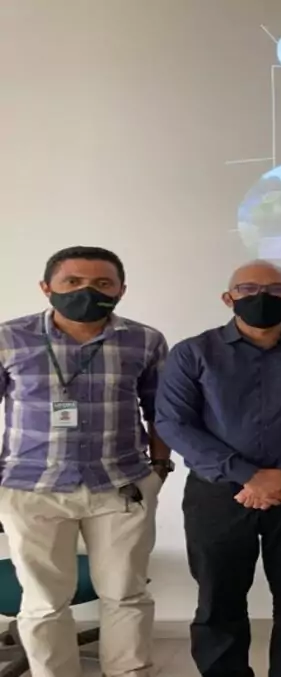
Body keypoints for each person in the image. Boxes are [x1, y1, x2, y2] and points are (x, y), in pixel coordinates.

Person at [154, 260, 281, 677]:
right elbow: (173, 423)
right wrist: (248, 475)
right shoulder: (193, 352)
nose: (262, 297)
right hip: (217, 492)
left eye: (276, 290)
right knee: (219, 597)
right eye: (248, 289)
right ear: (228, 298)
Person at [0, 246, 171, 677]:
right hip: (31, 488)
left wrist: (159, 468)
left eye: (102, 283)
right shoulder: (9, 338)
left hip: (121, 486)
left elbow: (162, 412)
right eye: (73, 282)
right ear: (47, 288)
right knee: (43, 602)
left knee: (126, 595)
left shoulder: (145, 340)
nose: (87, 291)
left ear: (121, 290)